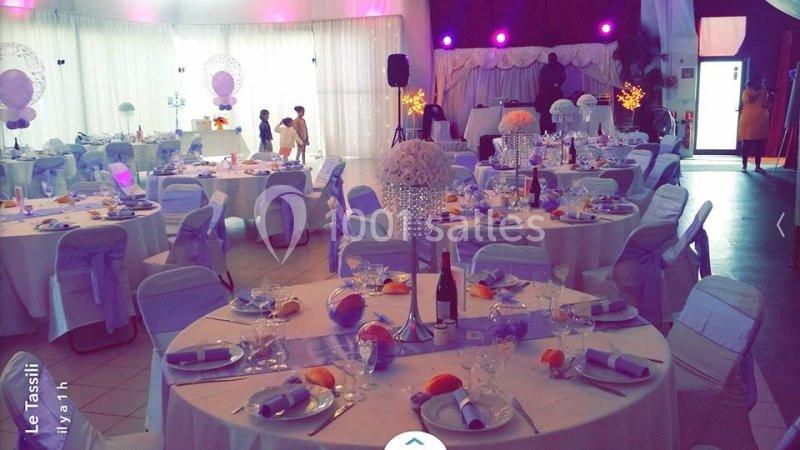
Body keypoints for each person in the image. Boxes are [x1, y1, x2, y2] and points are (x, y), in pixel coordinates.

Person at [738, 75, 771, 173]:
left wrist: (768, 97)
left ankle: (757, 166)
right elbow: (747, 100)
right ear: (754, 82)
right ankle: (744, 166)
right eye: (759, 81)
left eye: (762, 81)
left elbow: (765, 104)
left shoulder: (764, 91)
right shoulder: (747, 91)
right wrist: (760, 92)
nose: (761, 83)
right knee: (746, 143)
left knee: (759, 144)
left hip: (761, 121)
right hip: (749, 121)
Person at [535, 52, 566, 134]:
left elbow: (562, 78)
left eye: (552, 59)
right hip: (545, 95)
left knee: (554, 117)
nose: (551, 61)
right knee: (545, 117)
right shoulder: (545, 68)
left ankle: (553, 134)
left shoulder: (560, 67)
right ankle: (544, 135)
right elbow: (540, 80)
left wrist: (556, 84)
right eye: (550, 59)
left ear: (555, 59)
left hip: (555, 95)